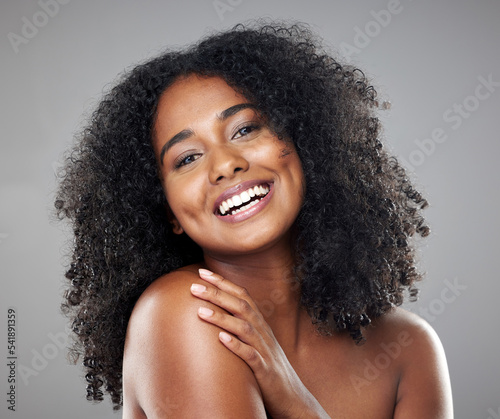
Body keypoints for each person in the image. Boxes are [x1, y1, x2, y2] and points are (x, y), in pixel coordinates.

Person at [55, 21, 453, 418]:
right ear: (168, 212)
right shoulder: (189, 313)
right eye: (187, 158)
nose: (226, 165)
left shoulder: (408, 348)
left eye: (244, 129)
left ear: (304, 144)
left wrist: (292, 398)